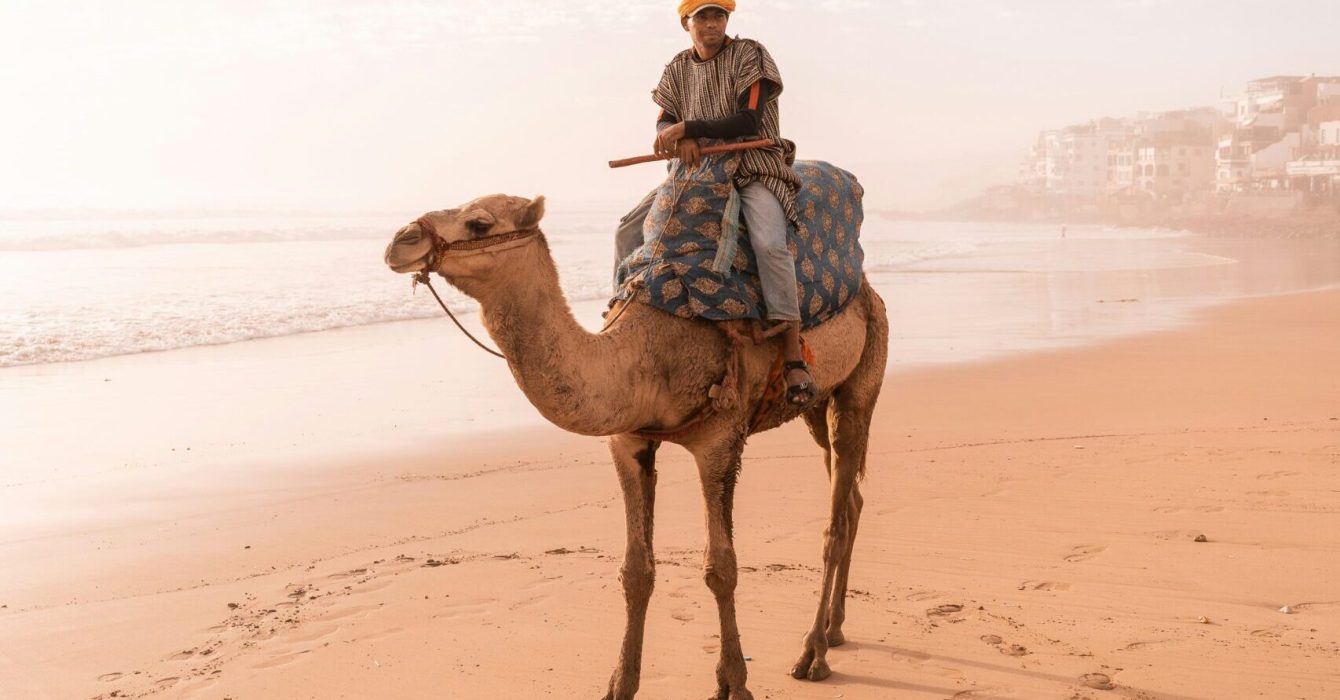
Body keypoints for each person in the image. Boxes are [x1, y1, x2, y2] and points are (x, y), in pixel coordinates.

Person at [613, 0, 814, 406]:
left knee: (770, 245)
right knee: (628, 231)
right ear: (685, 23)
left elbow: (749, 121)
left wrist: (689, 129)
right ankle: (619, 321)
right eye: (701, 17)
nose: (711, 24)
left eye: (718, 16)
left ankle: (793, 358)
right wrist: (677, 133)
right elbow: (663, 119)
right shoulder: (677, 68)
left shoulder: (749, 55)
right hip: (698, 172)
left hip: (752, 166)